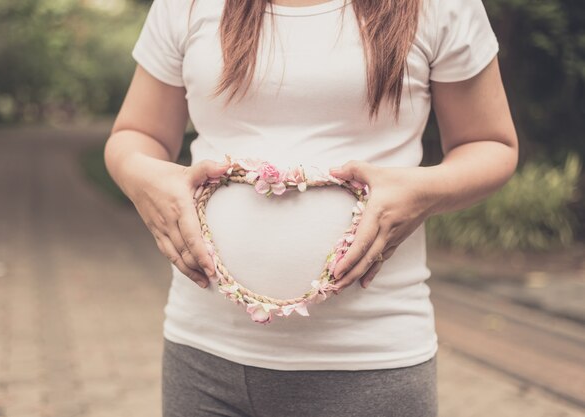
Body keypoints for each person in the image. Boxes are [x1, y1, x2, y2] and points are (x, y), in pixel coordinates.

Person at [104, 0, 518, 415]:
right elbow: (137, 133)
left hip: (369, 364)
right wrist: (142, 176)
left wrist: (422, 190)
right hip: (202, 358)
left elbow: (489, 144)